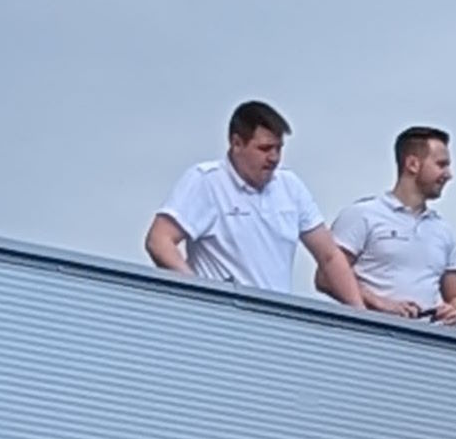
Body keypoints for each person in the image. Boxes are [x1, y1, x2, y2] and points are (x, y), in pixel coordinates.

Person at [146, 101, 366, 306]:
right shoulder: (207, 182)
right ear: (236, 143)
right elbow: (159, 240)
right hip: (220, 319)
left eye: (278, 148)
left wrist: (361, 316)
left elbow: (329, 256)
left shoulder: (290, 186)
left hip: (274, 321)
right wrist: (199, 293)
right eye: (264, 148)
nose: (274, 158)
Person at [322, 127, 456, 324]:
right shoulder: (363, 214)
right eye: (441, 165)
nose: (448, 174)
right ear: (412, 164)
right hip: (368, 339)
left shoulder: (443, 230)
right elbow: (325, 276)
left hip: (425, 347)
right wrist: (380, 304)